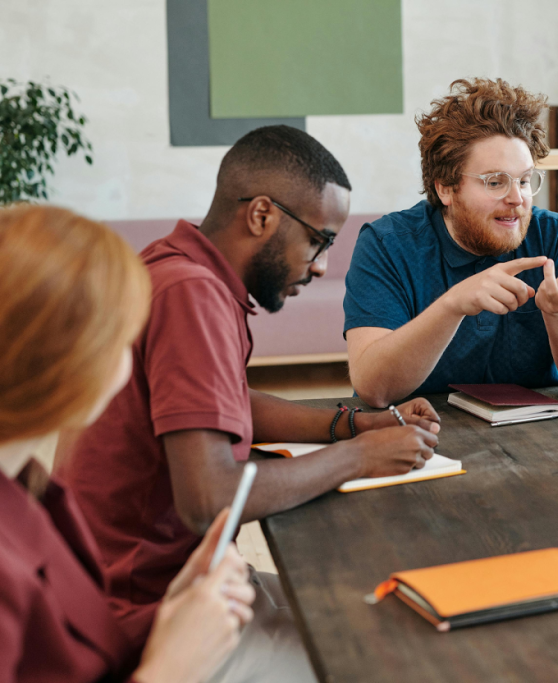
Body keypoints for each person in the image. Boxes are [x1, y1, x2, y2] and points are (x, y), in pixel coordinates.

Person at [59, 125, 441, 676]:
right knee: (380, 657)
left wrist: (355, 425)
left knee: (369, 608)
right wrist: (358, 458)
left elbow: (225, 400)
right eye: (319, 240)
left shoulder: (177, 268)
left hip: (169, 582)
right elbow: (208, 496)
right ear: (261, 215)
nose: (318, 267)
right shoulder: (192, 295)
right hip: (149, 614)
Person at [0, 204, 256, 682]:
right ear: (64, 360)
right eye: (123, 338)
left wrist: (176, 609)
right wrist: (171, 669)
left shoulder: (31, 488)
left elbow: (77, 644)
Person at [343, 78, 558, 407]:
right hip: (416, 436)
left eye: (525, 180)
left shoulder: (556, 237)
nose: (517, 198)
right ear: (445, 188)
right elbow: (374, 388)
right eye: (494, 182)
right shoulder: (386, 245)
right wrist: (453, 304)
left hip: (537, 435)